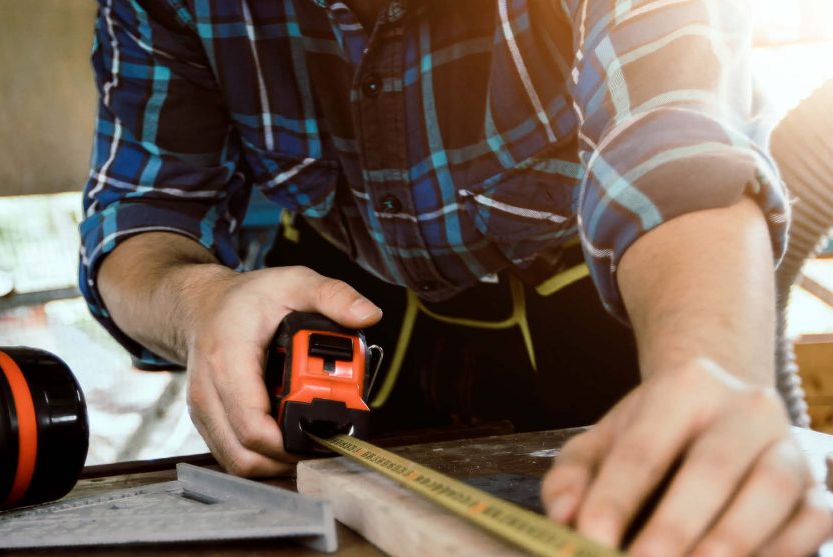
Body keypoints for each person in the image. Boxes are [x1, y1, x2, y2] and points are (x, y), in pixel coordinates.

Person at [77, 0, 832, 555]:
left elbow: (675, 148)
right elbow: (136, 218)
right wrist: (201, 302)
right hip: (364, 318)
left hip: (599, 311)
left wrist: (707, 368)